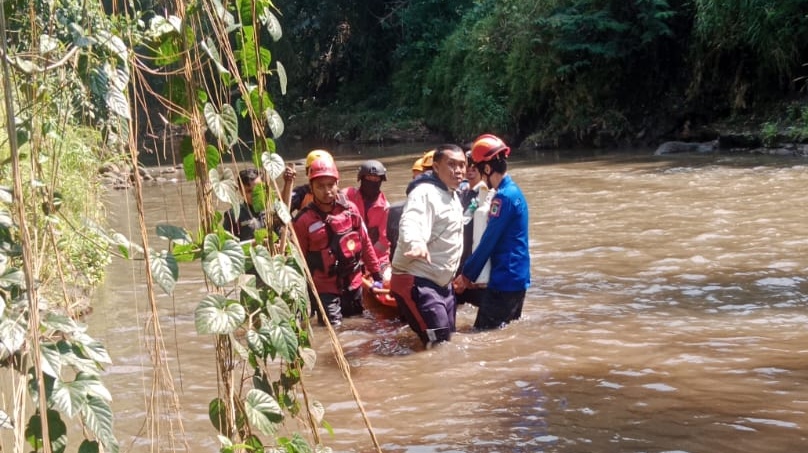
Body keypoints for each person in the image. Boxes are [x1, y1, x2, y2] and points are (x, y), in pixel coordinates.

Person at [389, 144, 466, 347]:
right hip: (417, 280)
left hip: (442, 284)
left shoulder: (452, 194)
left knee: (448, 338)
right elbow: (411, 219)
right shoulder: (424, 192)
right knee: (438, 343)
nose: (458, 170)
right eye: (451, 164)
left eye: (462, 165)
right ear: (436, 166)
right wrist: (416, 241)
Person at [292, 157, 384, 326]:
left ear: (337, 184)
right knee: (334, 330)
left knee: (360, 327)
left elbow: (365, 243)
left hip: (354, 284)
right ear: (311, 187)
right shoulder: (303, 221)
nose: (327, 191)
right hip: (325, 289)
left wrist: (377, 275)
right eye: (320, 186)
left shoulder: (351, 210)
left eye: (330, 185)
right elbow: (300, 260)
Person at [453, 134, 530, 330]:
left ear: (487, 168)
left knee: (481, 335)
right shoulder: (515, 192)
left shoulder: (502, 198)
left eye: (478, 169)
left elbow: (488, 241)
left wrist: (466, 275)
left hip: (504, 281)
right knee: (503, 333)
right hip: (517, 278)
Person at [456, 150, 492, 306]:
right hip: (461, 254)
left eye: (474, 167)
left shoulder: (485, 194)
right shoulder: (462, 193)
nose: (470, 170)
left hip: (474, 255)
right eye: (467, 167)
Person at [344, 160, 392, 274]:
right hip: (349, 254)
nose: (372, 182)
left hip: (378, 259)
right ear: (361, 179)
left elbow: (384, 242)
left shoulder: (385, 208)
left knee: (386, 280)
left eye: (376, 179)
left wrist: (368, 261)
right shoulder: (347, 195)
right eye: (369, 178)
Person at [283, 149, 335, 217]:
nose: (321, 174)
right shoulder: (301, 192)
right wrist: (287, 184)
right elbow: (283, 209)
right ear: (308, 173)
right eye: (316, 170)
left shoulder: (338, 194)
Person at [223, 168, 266, 242]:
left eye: (258, 189)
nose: (254, 194)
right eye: (249, 191)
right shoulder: (233, 215)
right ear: (241, 191)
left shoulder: (273, 211)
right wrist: (254, 243)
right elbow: (227, 246)